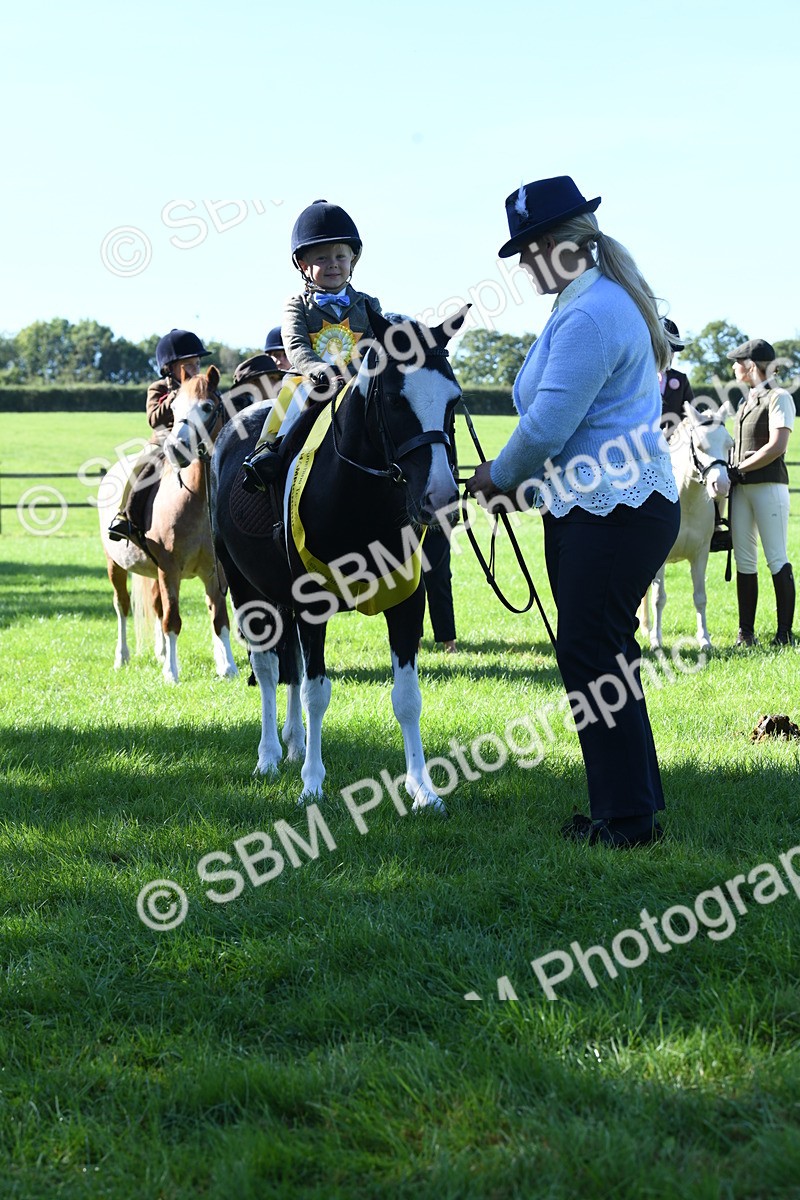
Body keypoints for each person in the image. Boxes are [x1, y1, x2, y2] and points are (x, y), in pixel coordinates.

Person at [466, 175, 680, 848]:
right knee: (607, 658)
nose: (526, 264)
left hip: (610, 512)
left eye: (531, 250)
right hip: (606, 507)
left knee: (593, 659)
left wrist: (497, 477)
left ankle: (624, 823)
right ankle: (632, 807)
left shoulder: (589, 313)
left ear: (563, 244)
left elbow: (549, 424)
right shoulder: (590, 302)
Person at [241, 200, 382, 492]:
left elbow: (371, 345)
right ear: (304, 266)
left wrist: (350, 372)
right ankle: (265, 451)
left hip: (356, 381)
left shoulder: (369, 304)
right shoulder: (296, 305)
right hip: (308, 380)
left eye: (340, 256)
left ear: (352, 259)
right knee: (287, 398)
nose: (333, 264)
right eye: (321, 258)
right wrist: (319, 369)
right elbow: (294, 344)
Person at [108, 328, 211, 544]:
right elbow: (153, 419)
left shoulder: (202, 388)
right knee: (141, 464)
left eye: (197, 364)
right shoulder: (158, 388)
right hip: (164, 441)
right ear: (169, 368)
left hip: (197, 440)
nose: (195, 369)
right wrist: (174, 396)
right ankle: (123, 514)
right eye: (189, 365)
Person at [727, 338, 795, 646]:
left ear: (751, 366)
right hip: (742, 489)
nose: (733, 367)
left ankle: (784, 635)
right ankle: (746, 633)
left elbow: (777, 446)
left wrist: (741, 467)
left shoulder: (779, 397)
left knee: (776, 557)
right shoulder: (745, 401)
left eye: (738, 362)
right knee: (744, 559)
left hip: (768, 485)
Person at [658, 318, 694, 434]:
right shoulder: (641, 377)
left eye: (673, 352)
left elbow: (691, 411)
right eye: (668, 351)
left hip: (673, 442)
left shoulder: (681, 379)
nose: (671, 356)